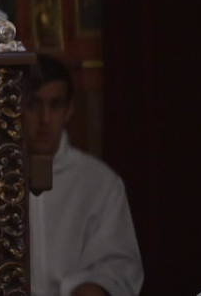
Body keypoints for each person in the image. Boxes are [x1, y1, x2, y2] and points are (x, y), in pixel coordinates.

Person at [25, 55, 143, 296]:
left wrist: (95, 287)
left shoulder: (101, 183)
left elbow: (120, 266)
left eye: (55, 105)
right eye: (34, 105)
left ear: (69, 110)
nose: (44, 119)